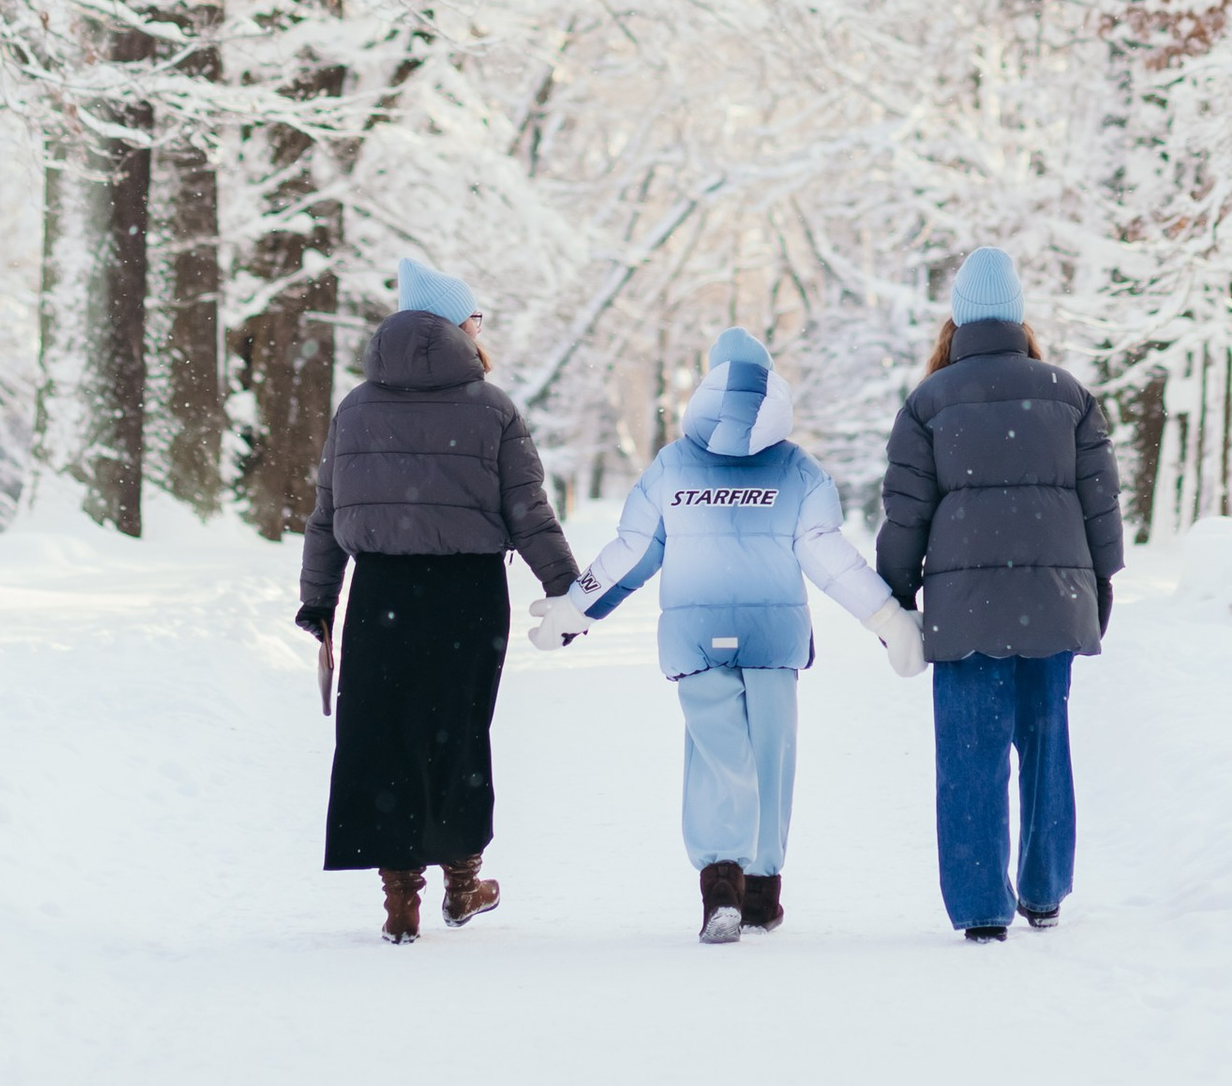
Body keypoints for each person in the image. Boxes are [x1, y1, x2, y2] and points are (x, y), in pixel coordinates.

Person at [530, 325, 923, 941]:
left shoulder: (671, 466)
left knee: (717, 758)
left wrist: (575, 611)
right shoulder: (797, 470)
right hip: (773, 637)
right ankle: (763, 893)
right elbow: (830, 560)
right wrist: (886, 619)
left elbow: (632, 554)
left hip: (696, 634)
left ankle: (722, 885)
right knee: (773, 755)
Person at [297, 256, 581, 944]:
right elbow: (528, 510)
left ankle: (400, 899)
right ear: (459, 326)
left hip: (381, 593)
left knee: (383, 735)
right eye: (476, 317)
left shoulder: (357, 407)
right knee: (458, 734)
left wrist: (319, 600)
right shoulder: (491, 407)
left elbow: (326, 514)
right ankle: (462, 882)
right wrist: (566, 590)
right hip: (468, 592)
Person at [876, 246, 1123, 941]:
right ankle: (1044, 890)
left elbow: (906, 514)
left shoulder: (928, 403)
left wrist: (896, 599)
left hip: (965, 610)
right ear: (1020, 318)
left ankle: (983, 904)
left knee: (969, 754)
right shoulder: (1069, 394)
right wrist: (1098, 588)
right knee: (1047, 745)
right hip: (1056, 598)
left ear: (954, 323)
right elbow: (1102, 505)